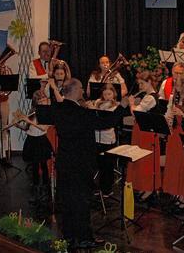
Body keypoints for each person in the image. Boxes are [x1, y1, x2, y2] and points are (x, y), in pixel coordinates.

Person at [50, 78, 126, 249]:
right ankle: (84, 237)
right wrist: (122, 107)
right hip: (81, 163)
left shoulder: (58, 109)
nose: (83, 92)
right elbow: (106, 123)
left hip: (64, 161)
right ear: (75, 90)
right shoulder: (82, 113)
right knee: (82, 201)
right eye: (82, 89)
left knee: (68, 201)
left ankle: (69, 236)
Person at [126, 74, 163, 197]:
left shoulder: (151, 98)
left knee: (146, 161)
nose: (140, 86)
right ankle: (142, 186)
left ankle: (149, 188)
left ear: (149, 82)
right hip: (141, 131)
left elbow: (136, 112)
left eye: (142, 83)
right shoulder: (147, 97)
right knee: (139, 160)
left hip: (147, 134)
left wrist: (131, 103)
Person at [17, 92, 53, 203]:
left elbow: (43, 128)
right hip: (31, 140)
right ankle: (36, 189)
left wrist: (29, 121)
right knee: (34, 165)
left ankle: (46, 188)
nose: (42, 102)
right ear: (35, 102)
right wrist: (18, 124)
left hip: (41, 141)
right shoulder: (32, 112)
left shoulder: (47, 113)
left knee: (43, 164)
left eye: (43, 100)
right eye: (39, 100)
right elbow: (27, 128)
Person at [92, 84, 119, 196]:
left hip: (108, 138)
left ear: (113, 94)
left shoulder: (115, 106)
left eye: (109, 94)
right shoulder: (98, 102)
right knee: (99, 164)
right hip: (97, 137)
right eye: (105, 94)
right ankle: (98, 187)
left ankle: (107, 189)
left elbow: (110, 120)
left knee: (107, 165)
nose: (107, 96)